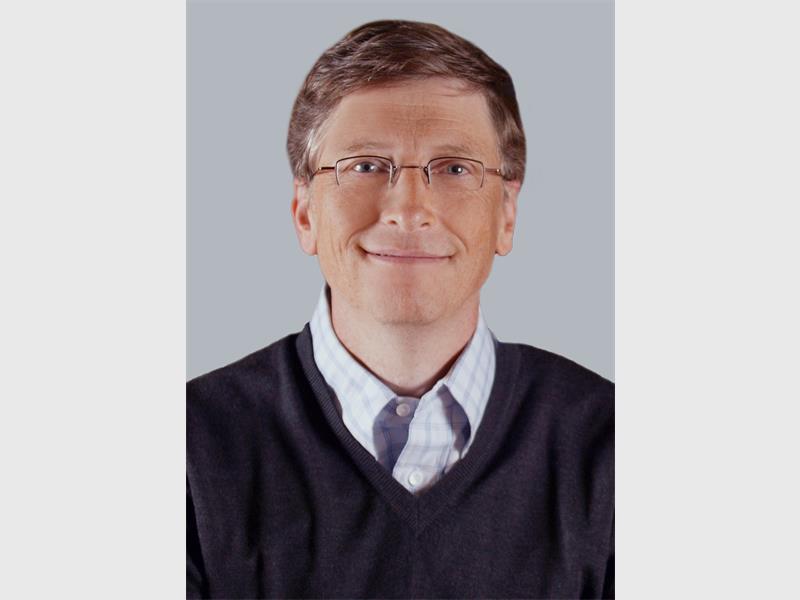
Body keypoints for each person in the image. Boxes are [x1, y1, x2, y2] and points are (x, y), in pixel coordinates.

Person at [187, 19, 613, 599]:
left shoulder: (611, 445)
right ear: (305, 213)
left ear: (507, 214)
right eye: (365, 166)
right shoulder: (191, 449)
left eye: (455, 168)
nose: (410, 210)